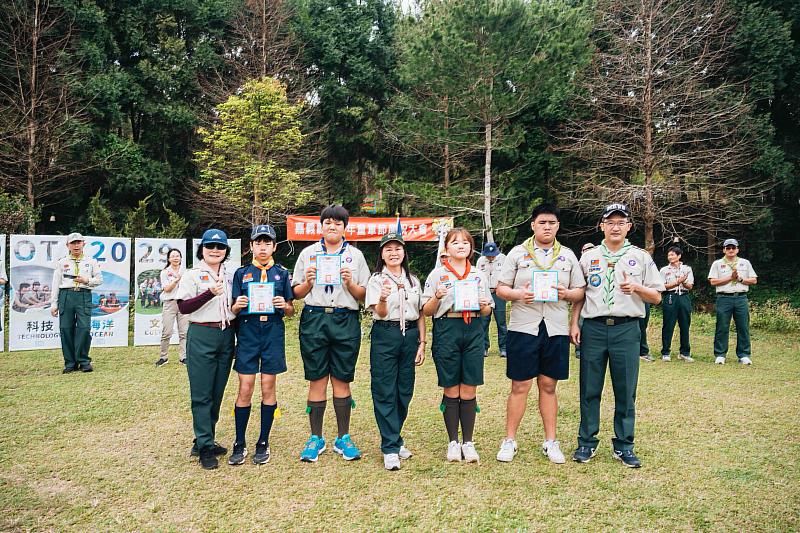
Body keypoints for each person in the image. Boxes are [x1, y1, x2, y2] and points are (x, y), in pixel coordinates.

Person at [570, 204, 664, 468]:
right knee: (589, 388)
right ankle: (586, 442)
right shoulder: (589, 257)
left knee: (625, 389)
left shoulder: (640, 257)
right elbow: (580, 294)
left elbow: (656, 297)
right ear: (601, 226)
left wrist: (636, 287)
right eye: (610, 222)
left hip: (626, 329)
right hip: (594, 328)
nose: (615, 227)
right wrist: (574, 323)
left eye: (620, 222)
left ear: (628, 227)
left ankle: (624, 446)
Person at [494, 203, 585, 464]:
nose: (547, 227)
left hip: (555, 328)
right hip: (524, 327)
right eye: (542, 223)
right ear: (533, 225)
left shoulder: (567, 256)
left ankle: (551, 441)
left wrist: (566, 294)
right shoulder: (517, 254)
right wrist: (519, 294)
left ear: (558, 226)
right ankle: (509, 440)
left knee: (548, 385)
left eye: (552, 223)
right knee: (519, 385)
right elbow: (501, 288)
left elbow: (580, 291)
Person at [292, 205, 370, 462]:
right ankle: (316, 438)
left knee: (341, 379)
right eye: (328, 222)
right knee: (317, 379)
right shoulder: (308, 253)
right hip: (314, 317)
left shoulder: (355, 256)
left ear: (345, 227)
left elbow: (365, 295)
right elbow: (296, 293)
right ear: (321, 226)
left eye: (338, 223)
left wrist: (350, 283)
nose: (332, 226)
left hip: (345, 318)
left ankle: (343, 437)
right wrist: (308, 283)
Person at [422, 228, 493, 463]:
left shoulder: (478, 275)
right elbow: (426, 310)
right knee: (451, 387)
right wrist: (437, 296)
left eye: (466, 242)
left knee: (469, 387)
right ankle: (453, 441)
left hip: (472, 329)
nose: (461, 246)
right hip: (447, 328)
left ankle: (468, 442)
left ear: (471, 248)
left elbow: (486, 310)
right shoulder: (437, 275)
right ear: (446, 248)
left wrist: (484, 305)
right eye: (455, 242)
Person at [227, 225, 294, 466]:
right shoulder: (241, 273)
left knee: (268, 386)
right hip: (248, 331)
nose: (263, 247)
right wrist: (238, 305)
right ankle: (239, 441)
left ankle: (263, 441)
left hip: (273, 332)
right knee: (245, 387)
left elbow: (290, 310)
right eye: (258, 243)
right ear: (251, 246)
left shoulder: (282, 274)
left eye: (267, 243)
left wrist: (283, 305)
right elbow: (233, 309)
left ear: (274, 246)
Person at [175, 229, 237, 470]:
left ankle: (204, 437)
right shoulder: (192, 274)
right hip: (202, 333)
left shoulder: (232, 274)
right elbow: (184, 307)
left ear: (225, 251)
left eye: (220, 247)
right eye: (209, 246)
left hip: (226, 333)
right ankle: (205, 446)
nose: (215, 250)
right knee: (201, 393)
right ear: (201, 249)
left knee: (217, 391)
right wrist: (208, 294)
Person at [365, 232, 426, 471]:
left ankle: (395, 436)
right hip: (385, 333)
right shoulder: (377, 280)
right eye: (388, 249)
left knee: (404, 391)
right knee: (384, 389)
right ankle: (390, 446)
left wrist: (422, 342)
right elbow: (379, 313)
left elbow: (420, 312)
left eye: (397, 248)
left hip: (410, 335)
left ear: (404, 252)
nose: (393, 253)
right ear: (381, 254)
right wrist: (382, 299)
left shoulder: (413, 279)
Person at [50, 233, 103, 373]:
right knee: (66, 329)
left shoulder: (91, 261)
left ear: (83, 244)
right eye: (73, 243)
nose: (76, 245)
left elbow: (99, 279)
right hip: (66, 295)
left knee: (84, 328)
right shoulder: (62, 262)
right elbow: (56, 283)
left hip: (84, 295)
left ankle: (83, 361)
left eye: (78, 242)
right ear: (68, 245)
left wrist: (87, 281)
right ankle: (70, 363)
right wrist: (54, 303)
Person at [708, 238, 757, 365]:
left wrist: (740, 279)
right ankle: (720, 354)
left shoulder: (745, 263)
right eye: (728, 248)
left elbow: (753, 280)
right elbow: (713, 281)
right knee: (722, 326)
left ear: (737, 249)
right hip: (724, 298)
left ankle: (744, 354)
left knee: (743, 326)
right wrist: (730, 278)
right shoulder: (717, 264)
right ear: (724, 249)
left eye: (733, 248)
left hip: (741, 297)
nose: (731, 250)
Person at [659, 245, 694, 362]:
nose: (670, 257)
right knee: (668, 324)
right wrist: (676, 282)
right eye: (669, 255)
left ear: (679, 255)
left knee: (685, 325)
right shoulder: (664, 270)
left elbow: (690, 286)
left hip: (684, 296)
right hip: (670, 296)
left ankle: (685, 352)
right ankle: (665, 352)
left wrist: (683, 282)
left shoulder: (687, 269)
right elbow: (662, 286)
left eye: (673, 254)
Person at [156, 248, 189, 366]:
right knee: (167, 332)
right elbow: (166, 289)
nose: (176, 258)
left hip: (183, 303)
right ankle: (163, 357)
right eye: (173, 256)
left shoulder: (186, 271)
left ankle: (183, 357)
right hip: (169, 303)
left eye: (178, 256)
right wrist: (176, 280)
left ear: (181, 258)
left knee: (184, 332)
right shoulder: (165, 272)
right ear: (169, 259)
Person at [476, 242, 507, 357]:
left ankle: (503, 348)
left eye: (492, 255)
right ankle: (484, 347)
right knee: (483, 322)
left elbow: (507, 276)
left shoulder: (503, 259)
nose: (490, 257)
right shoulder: (480, 261)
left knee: (501, 322)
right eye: (488, 255)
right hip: (485, 293)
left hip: (499, 293)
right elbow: (477, 277)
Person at [574, 243, 595, 359]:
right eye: (585, 249)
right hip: (582, 299)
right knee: (580, 324)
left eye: (590, 249)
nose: (588, 251)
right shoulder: (579, 265)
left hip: (594, 301)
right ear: (582, 251)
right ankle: (578, 349)